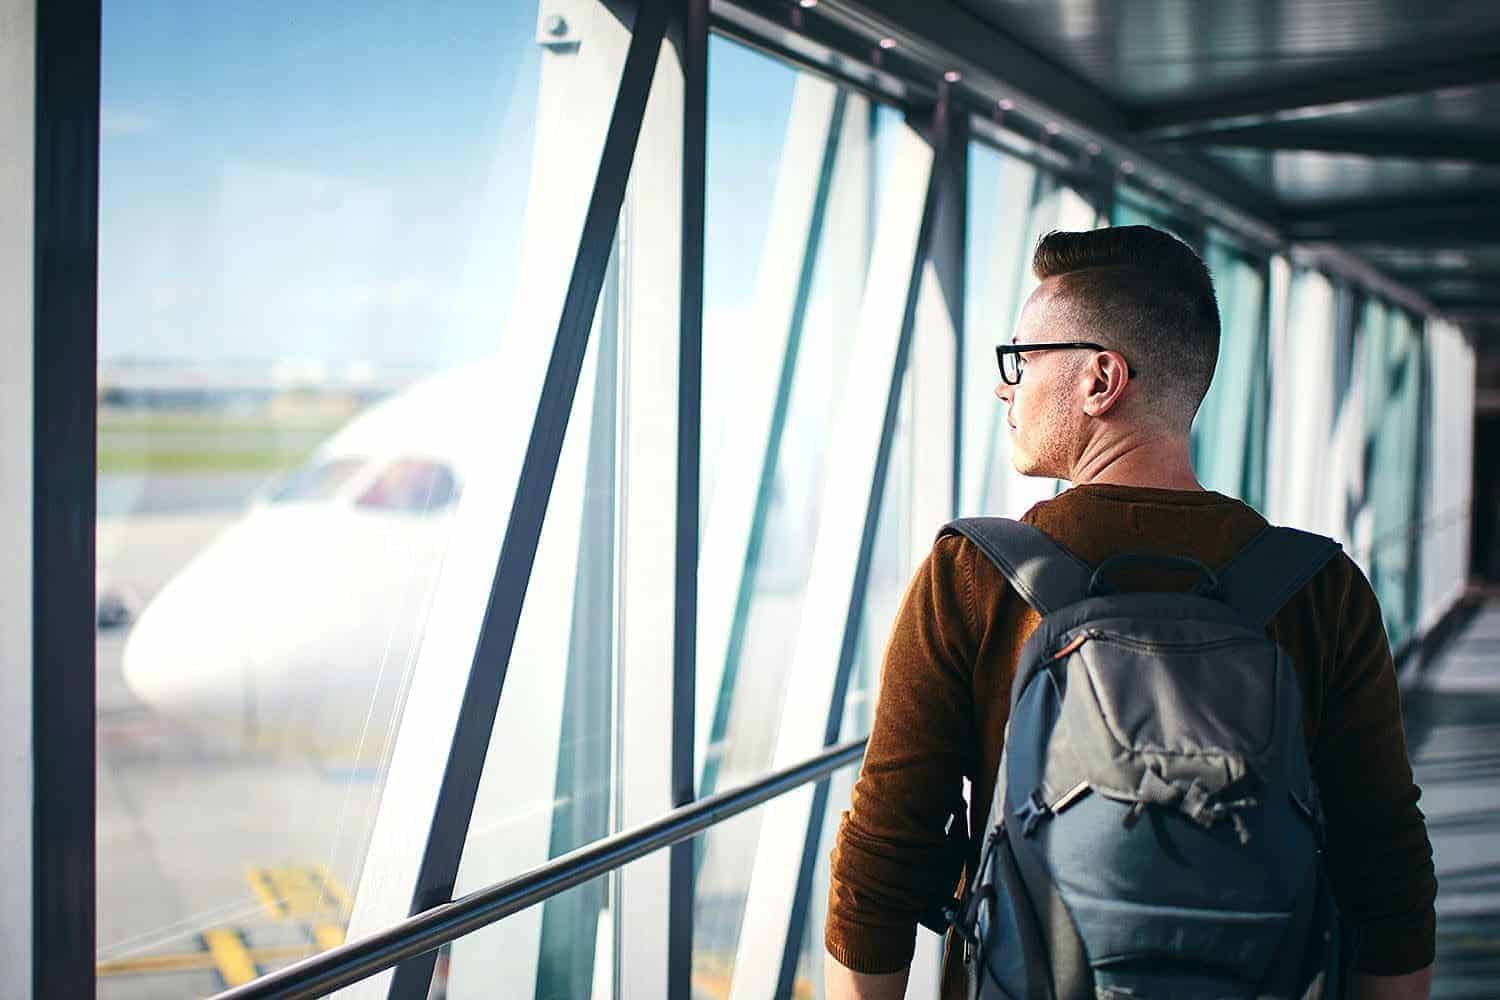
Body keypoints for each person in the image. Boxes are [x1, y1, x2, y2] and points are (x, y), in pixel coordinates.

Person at [822, 226, 1436, 1000]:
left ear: (1101, 378)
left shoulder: (973, 574)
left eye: (1021, 359)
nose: (1004, 387)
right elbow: (1387, 871)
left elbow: (883, 858)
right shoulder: (1322, 588)